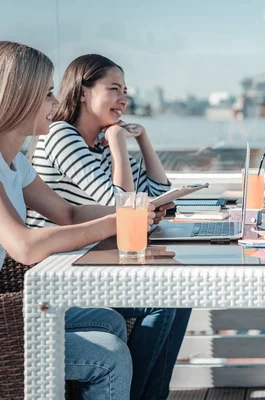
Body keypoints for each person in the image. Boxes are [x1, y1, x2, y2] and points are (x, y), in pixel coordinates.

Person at [0, 41, 167, 400]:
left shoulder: (12, 161)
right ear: (16, 96)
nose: (56, 104)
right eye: (47, 94)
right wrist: (116, 223)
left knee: (109, 321)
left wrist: (134, 211)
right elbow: (24, 246)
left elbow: (68, 213)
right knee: (109, 355)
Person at [26, 54, 191, 400]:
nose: (123, 99)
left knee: (178, 297)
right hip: (61, 271)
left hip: (93, 261)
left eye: (125, 91)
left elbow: (161, 196)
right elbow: (122, 202)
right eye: (113, 89)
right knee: (168, 300)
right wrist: (118, 146)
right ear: (83, 92)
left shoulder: (97, 142)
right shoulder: (61, 135)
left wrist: (142, 140)